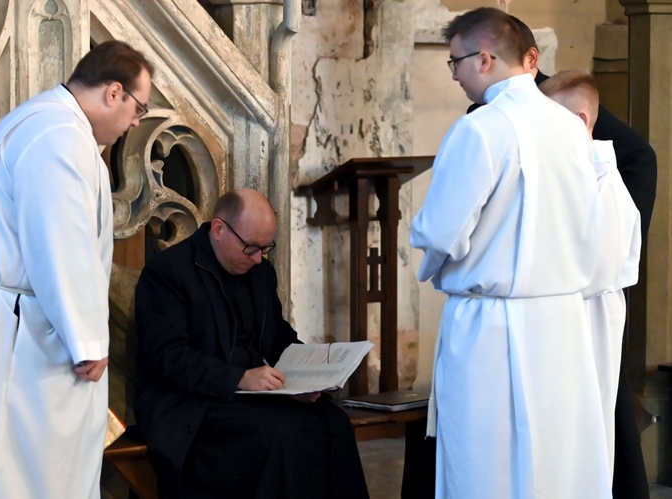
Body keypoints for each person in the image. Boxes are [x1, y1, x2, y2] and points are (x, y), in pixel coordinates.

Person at [0, 40, 153, 498]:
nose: (135, 122)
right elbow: (59, 243)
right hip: (14, 335)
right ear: (113, 93)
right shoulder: (60, 138)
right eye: (138, 107)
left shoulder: (41, 118)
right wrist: (86, 339)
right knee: (18, 472)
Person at [409, 7, 611, 498]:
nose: (454, 75)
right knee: (556, 468)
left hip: (492, 332)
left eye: (454, 62)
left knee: (486, 471)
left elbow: (439, 233)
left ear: (483, 59)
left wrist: (438, 266)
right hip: (562, 324)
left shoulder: (481, 128)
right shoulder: (570, 126)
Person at [133, 188, 369, 499]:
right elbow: (169, 357)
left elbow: (277, 335)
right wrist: (240, 378)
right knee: (278, 434)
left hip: (249, 397)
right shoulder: (168, 272)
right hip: (190, 404)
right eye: (250, 248)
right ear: (218, 229)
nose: (258, 258)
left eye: (264, 248)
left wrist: (310, 373)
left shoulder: (259, 272)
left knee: (332, 422)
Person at [539, 69, 642, 476]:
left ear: (581, 121)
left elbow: (596, 269)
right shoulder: (567, 174)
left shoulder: (605, 183)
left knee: (584, 441)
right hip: (560, 323)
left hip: (587, 322)